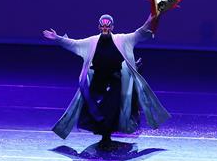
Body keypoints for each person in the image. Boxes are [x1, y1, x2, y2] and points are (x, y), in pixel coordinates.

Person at [42, 11, 171, 148]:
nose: (105, 28)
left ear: (112, 27)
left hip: (115, 80)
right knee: (95, 109)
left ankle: (106, 136)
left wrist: (150, 19)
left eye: (108, 26)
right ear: (99, 27)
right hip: (98, 80)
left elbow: (139, 33)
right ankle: (103, 134)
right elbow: (73, 44)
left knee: (112, 107)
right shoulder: (92, 41)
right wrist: (57, 38)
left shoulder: (122, 39)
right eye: (103, 26)